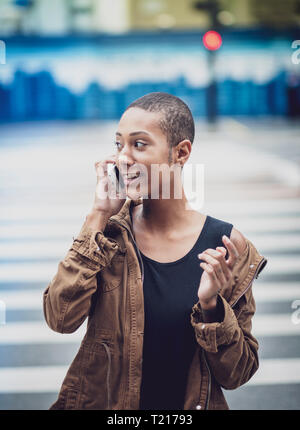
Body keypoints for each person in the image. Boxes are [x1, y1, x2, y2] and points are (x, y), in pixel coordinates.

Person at [43, 92, 268, 410]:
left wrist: (211, 306)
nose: (123, 158)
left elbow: (237, 373)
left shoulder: (226, 245)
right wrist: (97, 214)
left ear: (181, 152)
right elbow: (60, 318)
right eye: (118, 144)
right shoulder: (107, 235)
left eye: (139, 144)